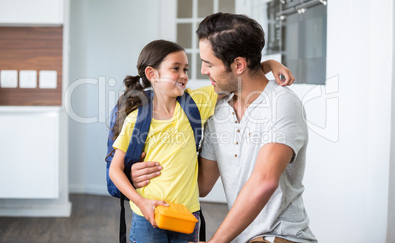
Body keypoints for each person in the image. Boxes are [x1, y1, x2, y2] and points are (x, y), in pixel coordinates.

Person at [131, 13, 317, 243]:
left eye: (209, 64)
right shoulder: (219, 110)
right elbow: (201, 185)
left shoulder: (281, 103)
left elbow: (264, 182)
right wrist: (142, 173)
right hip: (241, 238)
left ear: (238, 64)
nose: (202, 71)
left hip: (282, 235)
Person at [108, 39, 293, 243]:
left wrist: (268, 65)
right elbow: (115, 170)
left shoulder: (195, 103)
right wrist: (141, 202)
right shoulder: (137, 119)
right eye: (175, 69)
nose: (183, 76)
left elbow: (235, 81)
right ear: (153, 74)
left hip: (187, 216)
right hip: (148, 216)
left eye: (185, 69)